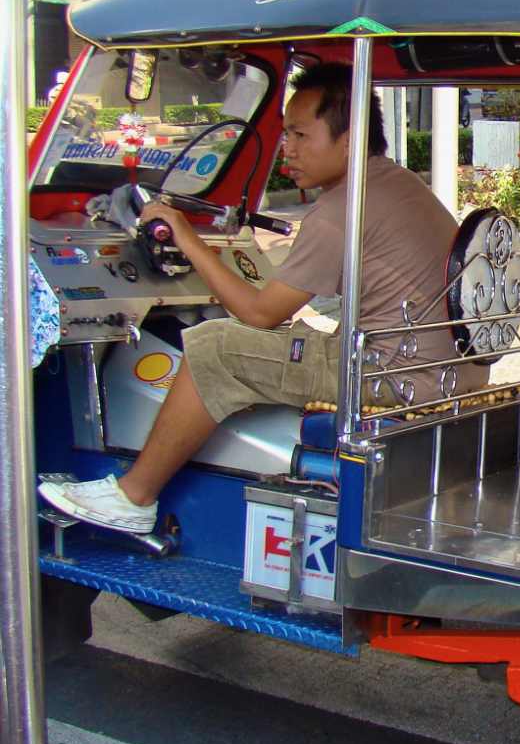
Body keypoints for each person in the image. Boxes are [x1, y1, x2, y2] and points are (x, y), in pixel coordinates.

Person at [39, 61, 478, 534]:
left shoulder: (339, 211)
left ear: (348, 141)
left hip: (391, 380)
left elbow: (259, 312)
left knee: (215, 346)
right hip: (443, 372)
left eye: (299, 135)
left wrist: (187, 239)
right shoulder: (397, 182)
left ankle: (135, 495)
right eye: (285, 135)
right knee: (284, 338)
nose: (286, 149)